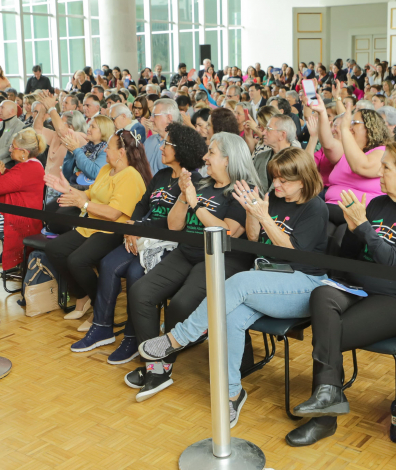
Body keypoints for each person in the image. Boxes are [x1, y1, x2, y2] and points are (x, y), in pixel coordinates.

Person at [137, 148, 329, 425]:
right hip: (269, 279)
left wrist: (264, 217)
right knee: (229, 318)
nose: (276, 185)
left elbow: (291, 252)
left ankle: (178, 338)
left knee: (236, 282)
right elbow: (253, 236)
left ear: (303, 180)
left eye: (283, 181)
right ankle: (232, 395)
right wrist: (253, 212)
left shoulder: (315, 208)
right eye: (274, 178)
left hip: (303, 284)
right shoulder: (274, 198)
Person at [287, 141, 396, 446]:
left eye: (386, 167)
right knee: (321, 295)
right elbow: (352, 256)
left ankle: (324, 416)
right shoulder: (377, 205)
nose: (380, 172)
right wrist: (351, 229)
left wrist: (364, 228)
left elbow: (394, 263)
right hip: (359, 288)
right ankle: (329, 397)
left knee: (330, 333)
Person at [127, 133, 257, 400]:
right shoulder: (201, 182)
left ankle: (162, 364)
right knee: (140, 292)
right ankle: (156, 368)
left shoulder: (242, 190)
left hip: (220, 258)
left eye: (211, 153)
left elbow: (227, 232)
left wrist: (196, 203)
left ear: (229, 159)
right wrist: (184, 197)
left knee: (182, 305)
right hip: (187, 252)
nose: (205, 158)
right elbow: (175, 226)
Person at [72, 123, 207, 362]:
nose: (161, 148)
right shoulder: (163, 175)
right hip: (141, 235)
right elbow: (142, 205)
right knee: (108, 263)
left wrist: (138, 227)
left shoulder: (192, 180)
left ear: (181, 150)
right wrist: (131, 227)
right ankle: (102, 327)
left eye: (167, 144)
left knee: (136, 273)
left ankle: (134, 339)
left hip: (167, 244)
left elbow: (175, 224)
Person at [43, 129, 151, 325]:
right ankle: (83, 296)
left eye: (108, 148)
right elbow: (89, 196)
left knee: (77, 260)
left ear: (121, 152)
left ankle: (99, 305)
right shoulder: (105, 170)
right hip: (92, 225)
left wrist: (82, 205)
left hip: (114, 231)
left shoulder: (131, 176)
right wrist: (67, 189)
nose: (105, 151)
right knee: (54, 249)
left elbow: (114, 213)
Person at [0, 128, 47, 271]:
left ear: (24, 152)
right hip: (23, 216)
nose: (10, 150)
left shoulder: (27, 168)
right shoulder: (32, 165)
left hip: (18, 219)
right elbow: (14, 180)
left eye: (13, 147)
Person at [61, 114, 114, 187]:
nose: (88, 129)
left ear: (104, 130)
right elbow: (67, 174)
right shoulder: (85, 148)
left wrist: (76, 150)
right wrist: (70, 153)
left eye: (93, 127)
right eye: (89, 126)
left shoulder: (106, 150)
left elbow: (95, 173)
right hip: (75, 187)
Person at [142, 98, 180, 175]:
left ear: (169, 118)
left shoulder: (177, 145)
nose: (151, 119)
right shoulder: (150, 140)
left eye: (154, 115)